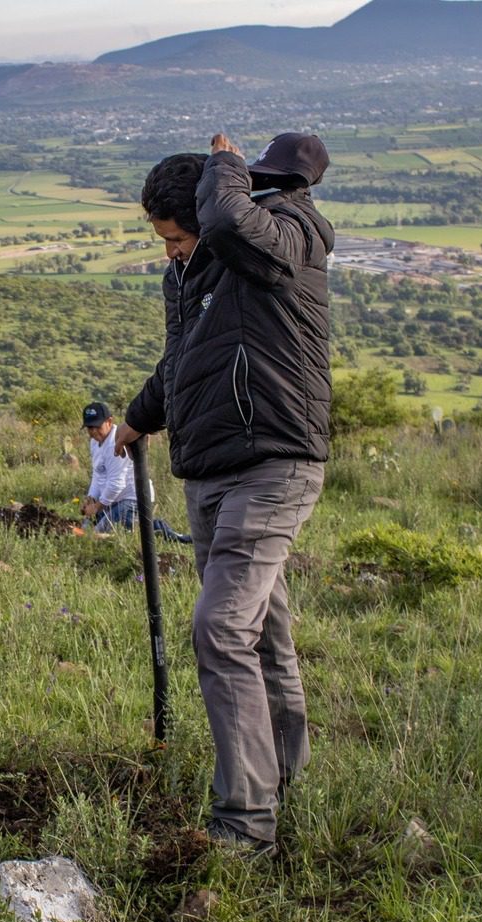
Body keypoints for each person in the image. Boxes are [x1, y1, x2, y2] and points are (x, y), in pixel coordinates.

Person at [115, 132, 336, 855]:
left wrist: (225, 168)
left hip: (273, 462)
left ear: (207, 214)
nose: (169, 251)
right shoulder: (188, 275)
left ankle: (245, 822)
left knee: (220, 626)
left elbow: (238, 228)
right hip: (211, 468)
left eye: (176, 236)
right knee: (261, 630)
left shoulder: (285, 234)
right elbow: (185, 360)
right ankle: (285, 778)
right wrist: (140, 416)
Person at [80, 400, 191, 543]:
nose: (93, 431)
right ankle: (146, 526)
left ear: (109, 421)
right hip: (112, 501)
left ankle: (159, 530)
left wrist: (96, 507)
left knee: (98, 535)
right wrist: (91, 498)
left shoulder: (116, 441)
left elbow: (116, 484)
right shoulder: (95, 442)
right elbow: (98, 474)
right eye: (89, 428)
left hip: (131, 500)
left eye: (97, 426)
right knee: (85, 529)